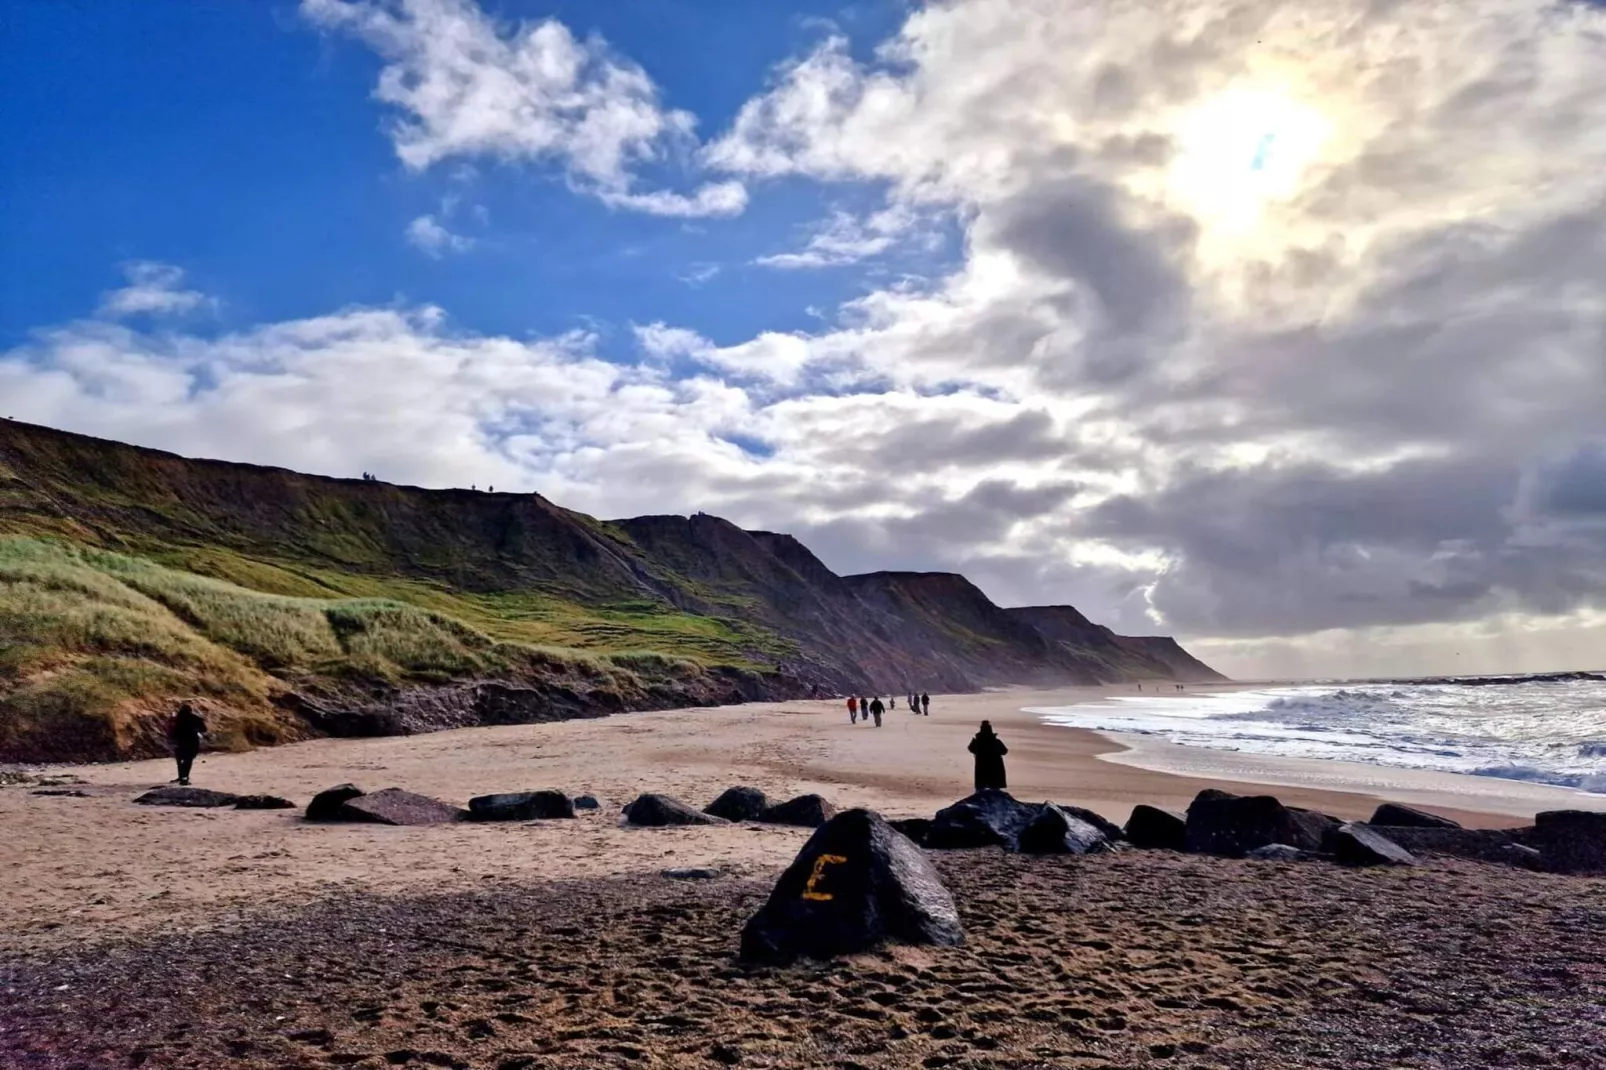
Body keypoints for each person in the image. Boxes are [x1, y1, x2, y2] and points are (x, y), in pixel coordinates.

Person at [169, 702, 207, 786]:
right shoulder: (195, 718)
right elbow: (204, 729)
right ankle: (184, 778)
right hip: (192, 742)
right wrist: (196, 730)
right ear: (190, 710)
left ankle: (181, 776)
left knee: (180, 760)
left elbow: (172, 731)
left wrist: (172, 740)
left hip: (179, 742)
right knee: (188, 760)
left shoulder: (177, 719)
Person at [968, 720, 1008, 790]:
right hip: (995, 765)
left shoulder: (977, 741)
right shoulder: (995, 741)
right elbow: (1004, 751)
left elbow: (971, 748)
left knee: (981, 784)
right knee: (995, 785)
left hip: (981, 765)